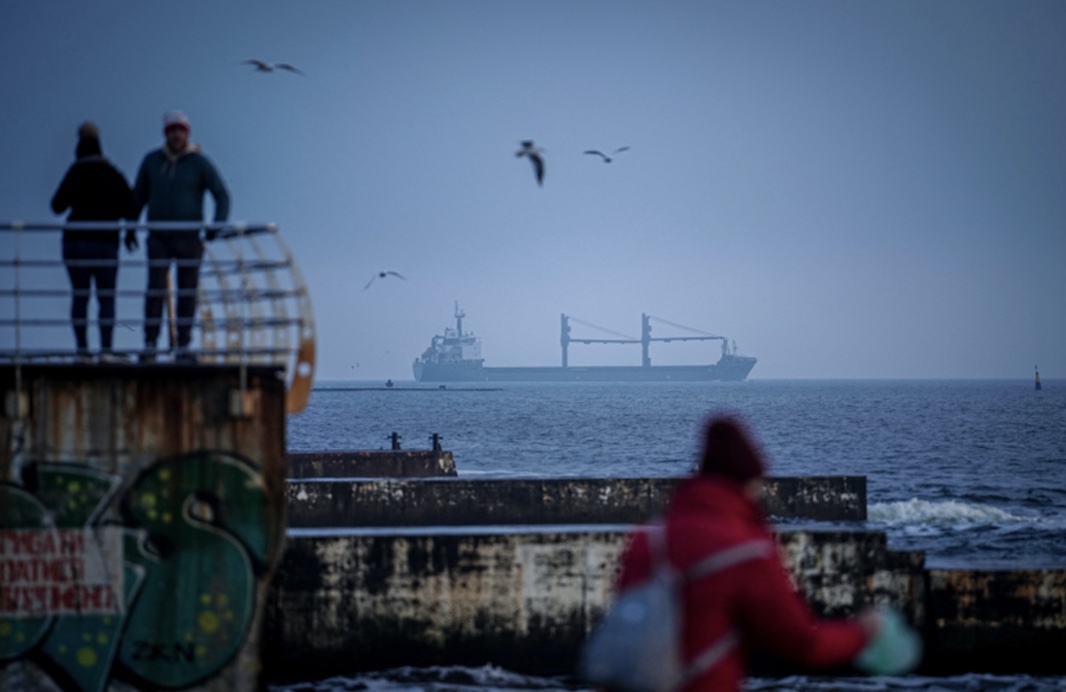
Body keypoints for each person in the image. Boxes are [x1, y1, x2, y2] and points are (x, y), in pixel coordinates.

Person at [614, 415, 883, 691]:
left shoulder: (647, 540)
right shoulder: (746, 551)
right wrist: (862, 633)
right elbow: (800, 643)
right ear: (747, 483)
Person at [130, 110, 230, 363]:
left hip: (189, 238)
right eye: (172, 131)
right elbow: (138, 196)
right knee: (155, 290)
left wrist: (216, 225)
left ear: (187, 134)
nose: (176, 135)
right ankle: (150, 344)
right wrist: (130, 227)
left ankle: (183, 345)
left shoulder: (199, 163)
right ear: (166, 134)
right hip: (158, 238)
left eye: (180, 131)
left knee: (187, 292)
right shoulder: (152, 161)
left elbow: (221, 194)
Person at [51, 121, 136, 361]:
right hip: (106, 242)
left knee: (80, 296)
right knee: (106, 298)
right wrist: (129, 232)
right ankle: (106, 350)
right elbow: (131, 205)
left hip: (75, 242)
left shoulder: (75, 172)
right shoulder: (112, 173)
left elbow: (57, 206)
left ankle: (82, 351)